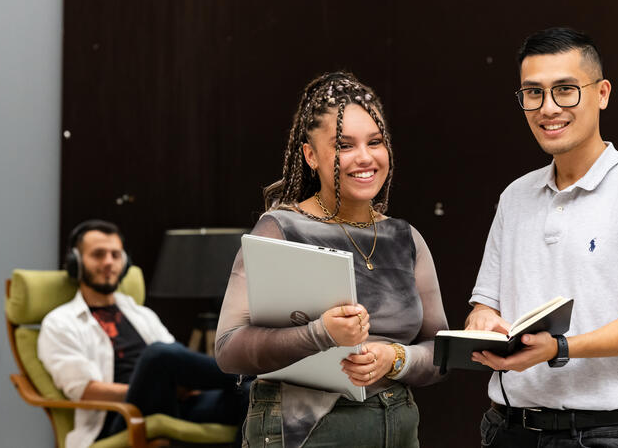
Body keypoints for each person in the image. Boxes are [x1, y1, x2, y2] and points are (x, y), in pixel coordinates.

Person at [464, 27, 618, 447]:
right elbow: (485, 304)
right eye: (532, 93)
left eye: (565, 90)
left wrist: (561, 348)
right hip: (506, 429)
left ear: (602, 93)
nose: (548, 108)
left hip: (604, 434)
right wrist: (482, 323)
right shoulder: (515, 197)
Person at [215, 71, 449, 447]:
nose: (365, 157)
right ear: (310, 155)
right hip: (305, 429)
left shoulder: (406, 238)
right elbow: (228, 349)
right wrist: (321, 333)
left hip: (396, 423)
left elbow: (440, 352)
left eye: (375, 142)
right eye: (344, 145)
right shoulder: (280, 228)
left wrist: (395, 358)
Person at [38, 220, 249, 448]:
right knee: (158, 355)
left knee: (252, 394)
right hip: (116, 419)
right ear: (76, 263)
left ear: (125, 262)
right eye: (98, 255)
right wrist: (154, 387)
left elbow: (180, 363)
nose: (109, 262)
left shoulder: (140, 314)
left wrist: (172, 387)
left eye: (115, 255)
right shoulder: (60, 322)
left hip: (170, 404)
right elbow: (86, 391)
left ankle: (249, 378)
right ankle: (251, 370)